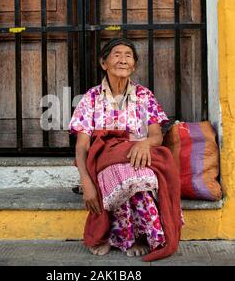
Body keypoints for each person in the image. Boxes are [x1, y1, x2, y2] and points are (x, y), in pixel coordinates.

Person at [68, 38, 184, 260]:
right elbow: (82, 146)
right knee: (124, 174)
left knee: (137, 174)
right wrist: (85, 180)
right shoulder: (90, 99)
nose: (123, 59)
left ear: (134, 65)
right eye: (117, 54)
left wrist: (144, 143)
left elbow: (156, 135)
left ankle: (137, 236)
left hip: (138, 156)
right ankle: (137, 237)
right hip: (104, 160)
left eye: (128, 55)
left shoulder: (144, 96)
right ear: (104, 63)